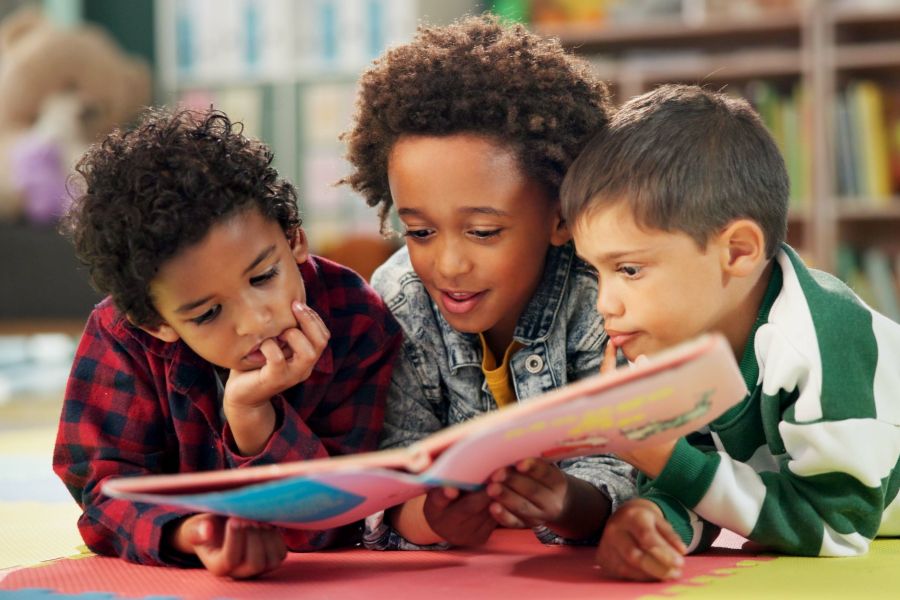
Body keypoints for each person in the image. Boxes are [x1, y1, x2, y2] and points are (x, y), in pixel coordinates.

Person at [560, 83, 900, 581]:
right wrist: (651, 522)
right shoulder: (663, 342)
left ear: (738, 251)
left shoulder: (819, 337)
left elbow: (839, 525)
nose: (604, 304)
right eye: (596, 272)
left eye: (629, 270)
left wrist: (668, 459)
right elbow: (706, 491)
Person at [53, 108, 403, 578]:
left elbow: (335, 521)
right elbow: (104, 492)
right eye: (209, 313)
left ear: (294, 239)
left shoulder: (355, 317)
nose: (256, 319)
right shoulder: (122, 336)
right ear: (156, 322)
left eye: (264, 276)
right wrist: (192, 533)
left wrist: (253, 416)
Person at [340, 14, 636, 551]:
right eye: (420, 231)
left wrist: (569, 504)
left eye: (482, 231)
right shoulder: (398, 301)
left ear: (561, 216)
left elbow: (629, 466)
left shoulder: (604, 299)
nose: (448, 265)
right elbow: (392, 471)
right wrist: (430, 521)